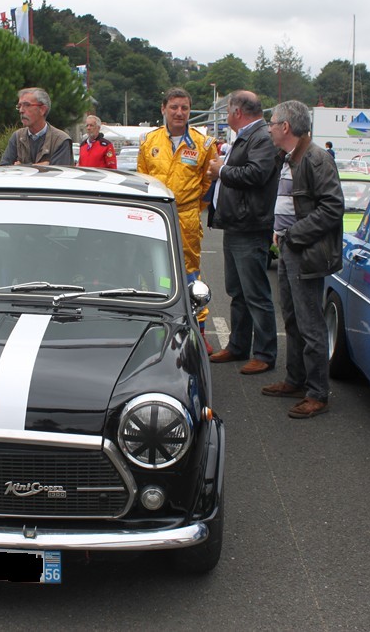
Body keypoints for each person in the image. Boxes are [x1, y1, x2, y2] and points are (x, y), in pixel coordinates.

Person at [261, 101, 344, 419]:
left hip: (304, 252)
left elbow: (332, 207)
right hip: (290, 249)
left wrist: (293, 235)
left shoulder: (316, 158)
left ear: (285, 127)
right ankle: (295, 380)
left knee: (310, 324)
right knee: (294, 319)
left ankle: (317, 393)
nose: (268, 128)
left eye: (272, 123)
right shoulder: (291, 157)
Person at [137, 88, 218, 353]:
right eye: (174, 107)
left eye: (184, 108)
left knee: (190, 274)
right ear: (163, 109)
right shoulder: (149, 142)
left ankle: (199, 331)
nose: (179, 113)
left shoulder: (203, 144)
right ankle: (155, 328)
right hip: (154, 217)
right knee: (153, 272)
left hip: (186, 217)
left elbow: (208, 184)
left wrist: (193, 208)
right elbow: (142, 180)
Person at [206, 90, 279, 375]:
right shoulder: (250, 135)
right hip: (237, 223)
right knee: (237, 291)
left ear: (237, 112)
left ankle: (264, 353)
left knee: (256, 293)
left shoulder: (261, 137)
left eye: (227, 112)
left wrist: (221, 171)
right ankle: (238, 345)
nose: (226, 117)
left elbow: (256, 174)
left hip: (250, 225)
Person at [0, 88, 73, 166]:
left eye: (27, 105)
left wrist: (22, 167)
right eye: (19, 106)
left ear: (42, 109)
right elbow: (4, 170)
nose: (21, 110)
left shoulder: (60, 140)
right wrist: (43, 166)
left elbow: (59, 174)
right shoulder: (17, 137)